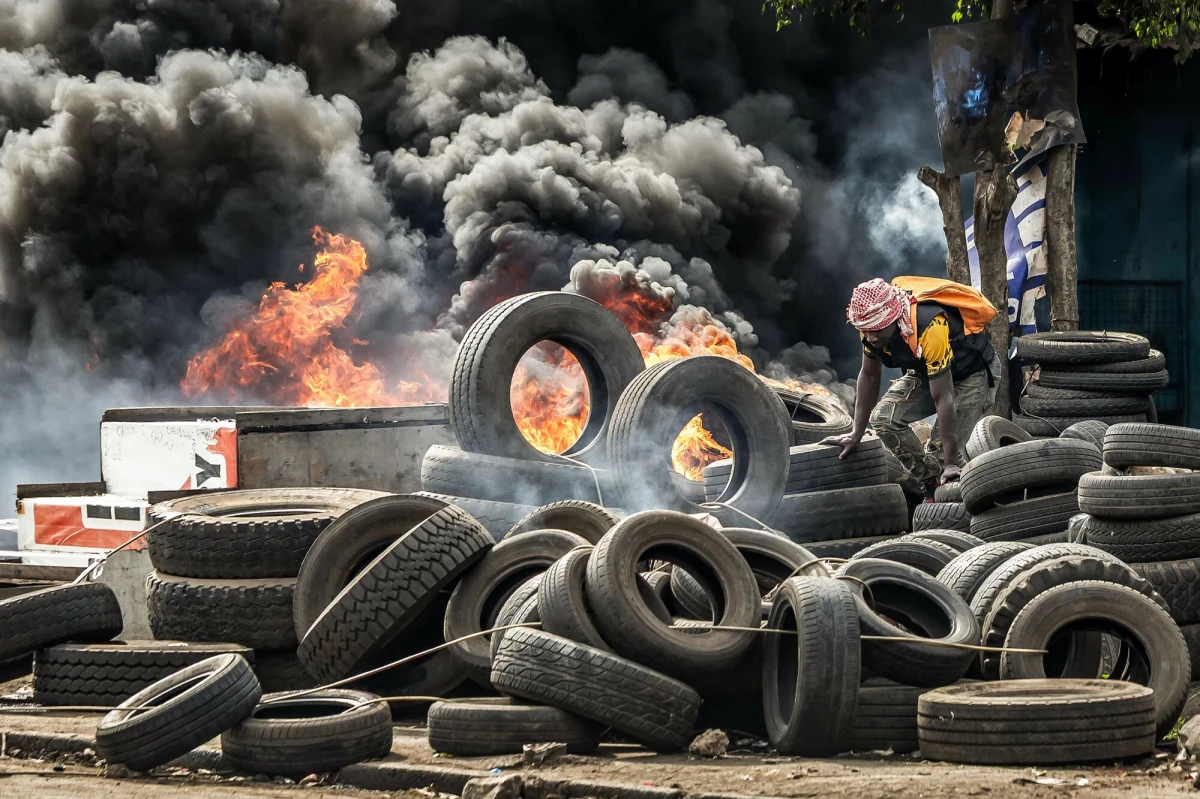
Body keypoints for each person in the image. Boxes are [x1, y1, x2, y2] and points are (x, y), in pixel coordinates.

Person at [821, 276, 1001, 490]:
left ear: (893, 318)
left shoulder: (930, 326)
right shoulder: (868, 324)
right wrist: (856, 433)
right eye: (866, 329)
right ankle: (932, 485)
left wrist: (950, 463)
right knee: (883, 419)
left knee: (943, 458)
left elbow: (944, 398)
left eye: (877, 329)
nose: (871, 337)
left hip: (972, 375)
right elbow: (869, 375)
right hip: (928, 372)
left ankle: (963, 488)